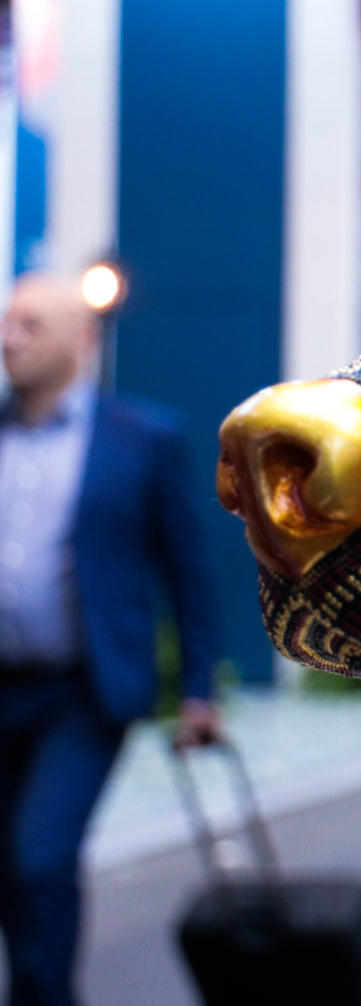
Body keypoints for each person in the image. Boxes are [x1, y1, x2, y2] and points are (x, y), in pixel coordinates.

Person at [0, 273, 218, 1006]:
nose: (9, 339)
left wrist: (198, 690)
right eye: (7, 323)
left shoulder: (142, 438)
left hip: (83, 692)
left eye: (30, 325)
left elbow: (187, 572)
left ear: (82, 339)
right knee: (9, 868)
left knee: (41, 857)